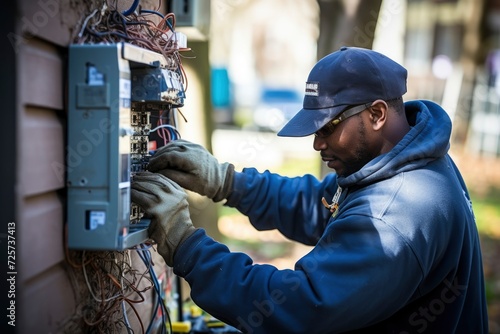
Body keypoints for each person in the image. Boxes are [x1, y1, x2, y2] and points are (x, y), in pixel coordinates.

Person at [131, 46, 489, 333]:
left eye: (327, 127)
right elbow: (318, 204)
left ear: (377, 114)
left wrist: (185, 244)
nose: (318, 144)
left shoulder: (395, 214)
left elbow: (300, 307)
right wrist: (228, 182)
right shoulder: (408, 159)